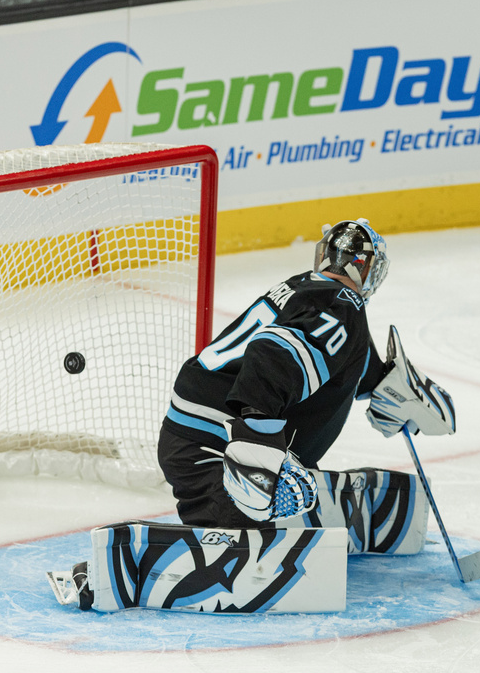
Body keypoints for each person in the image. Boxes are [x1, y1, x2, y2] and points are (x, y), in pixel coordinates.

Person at [158, 218, 430, 528]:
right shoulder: (341, 306)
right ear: (368, 268)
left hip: (196, 430)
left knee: (284, 514)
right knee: (252, 555)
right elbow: (273, 352)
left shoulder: (309, 288)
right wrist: (257, 443)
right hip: (219, 447)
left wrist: (392, 388)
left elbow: (348, 359)